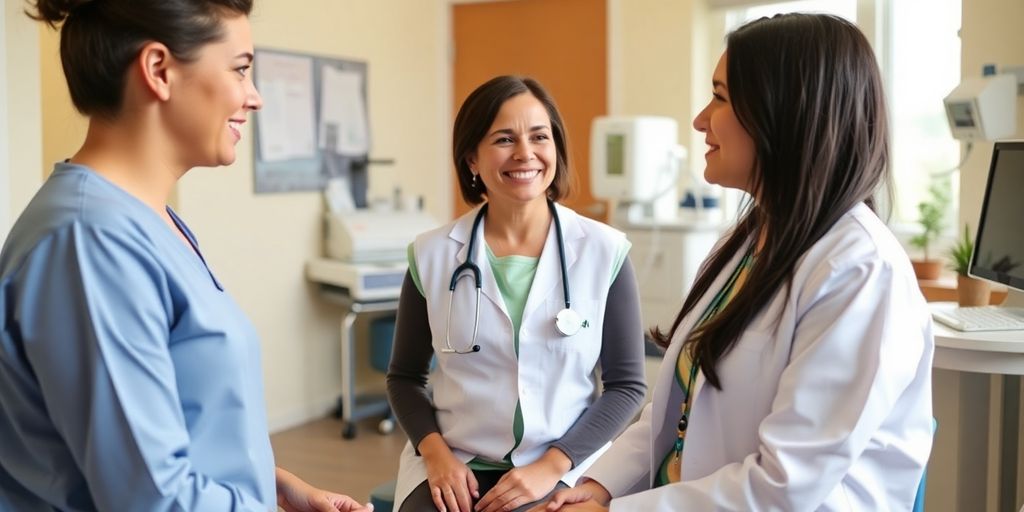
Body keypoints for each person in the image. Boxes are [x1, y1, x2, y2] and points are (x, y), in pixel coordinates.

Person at [533, 13, 935, 511]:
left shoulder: (860, 272)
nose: (701, 119)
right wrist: (601, 485)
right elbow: (674, 410)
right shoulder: (750, 243)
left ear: (783, 112)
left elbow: (785, 487)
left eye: (720, 97)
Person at [0, 1, 371, 511]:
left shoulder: (148, 221)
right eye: (241, 69)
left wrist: (272, 486)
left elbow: (168, 427)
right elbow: (150, 499)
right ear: (159, 70)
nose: (255, 97)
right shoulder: (90, 243)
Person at [385, 75, 647, 512]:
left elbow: (627, 387)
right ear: (471, 157)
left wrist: (552, 465)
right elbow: (405, 378)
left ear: (556, 149)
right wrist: (435, 454)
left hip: (566, 461)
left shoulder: (605, 251)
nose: (525, 153)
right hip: (455, 461)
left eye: (539, 137)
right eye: (504, 139)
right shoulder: (431, 254)